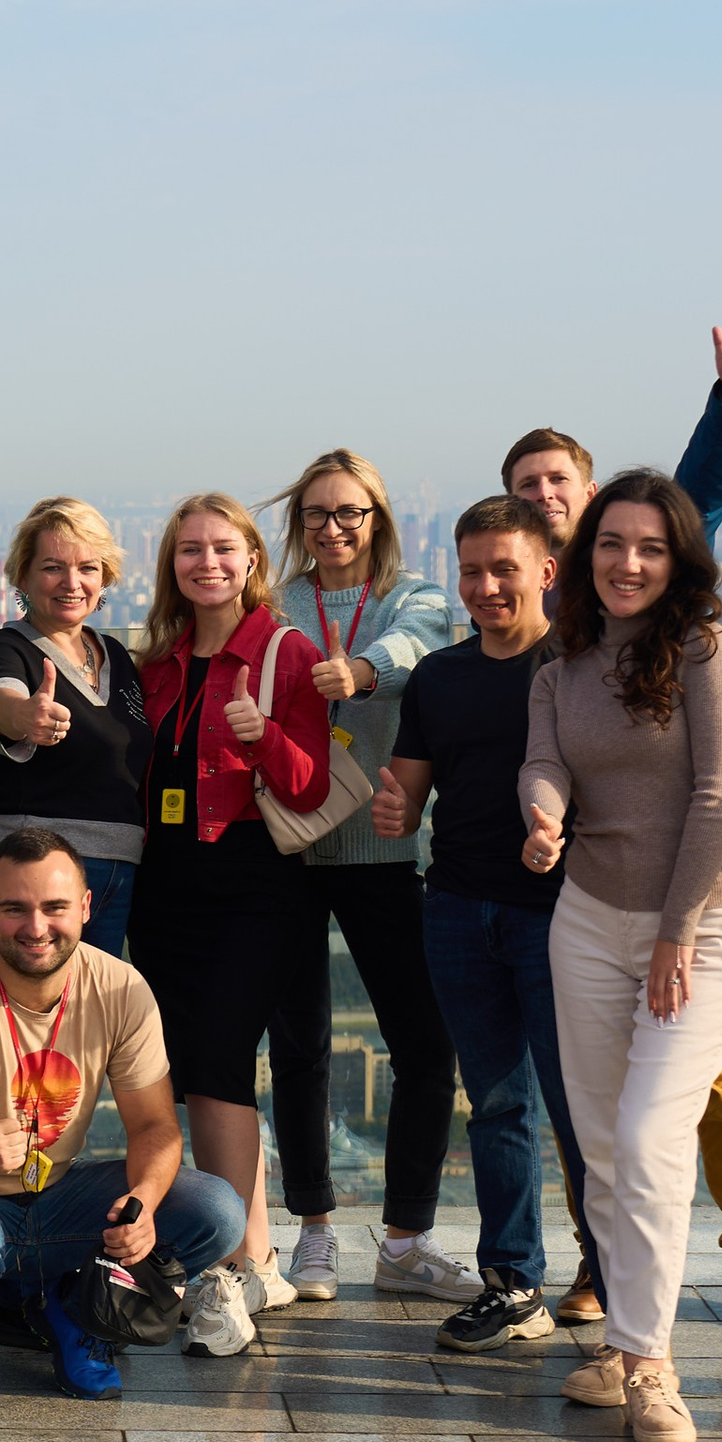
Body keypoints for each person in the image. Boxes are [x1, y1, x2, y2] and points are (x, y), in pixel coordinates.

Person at [502, 324, 722, 1332]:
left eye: (557, 480)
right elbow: (538, 739)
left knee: (692, 1089)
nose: (544, 496)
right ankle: (614, 1275)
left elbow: (696, 495)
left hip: (698, 870)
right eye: (526, 485)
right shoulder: (549, 615)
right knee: (611, 1115)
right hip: (594, 880)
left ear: (585, 491)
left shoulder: (658, 587)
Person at [522, 469, 722, 1442]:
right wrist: (541, 810)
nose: (627, 563)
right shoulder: (560, 662)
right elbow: (545, 757)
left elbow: (716, 798)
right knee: (605, 1151)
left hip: (695, 931)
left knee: (655, 1140)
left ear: (677, 559)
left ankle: (652, 1368)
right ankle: (624, 1338)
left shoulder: (705, 652)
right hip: (583, 920)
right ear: (586, 555)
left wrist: (671, 933)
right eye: (611, 544)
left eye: (650, 548)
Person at [0, 829, 249, 1412]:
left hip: (52, 1196)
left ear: (87, 907)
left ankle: (77, 1313)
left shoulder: (121, 987)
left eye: (55, 907)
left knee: (216, 1211)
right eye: (15, 908)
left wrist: (141, 1205)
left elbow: (154, 1127)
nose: (36, 927)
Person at [372, 496, 593, 1352]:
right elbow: (409, 793)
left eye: (506, 568)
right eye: (472, 570)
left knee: (580, 1108)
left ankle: (613, 1272)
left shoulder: (583, 664)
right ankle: (514, 1281)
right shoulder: (440, 676)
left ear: (547, 570)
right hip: (459, 908)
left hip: (566, 915)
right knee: (497, 1103)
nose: (488, 586)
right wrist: (394, 808)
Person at [127, 493, 332, 1355]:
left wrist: (258, 739)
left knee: (214, 1065)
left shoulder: (285, 653)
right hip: (168, 884)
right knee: (198, 1072)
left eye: (222, 549)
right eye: (188, 551)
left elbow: (312, 788)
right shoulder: (158, 663)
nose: (205, 564)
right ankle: (258, 1256)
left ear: (252, 559)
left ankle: (225, 1272)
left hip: (256, 882)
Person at [264, 448, 460, 1304]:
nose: (334, 529)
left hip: (384, 848)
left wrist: (361, 671)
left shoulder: (413, 594)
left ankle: (405, 1235)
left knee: (424, 1043)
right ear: (297, 524)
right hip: (292, 847)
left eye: (351, 513)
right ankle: (311, 1229)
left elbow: (416, 647)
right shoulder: (275, 604)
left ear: (380, 518)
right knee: (298, 1045)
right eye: (317, 515)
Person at [0, 498, 150, 956]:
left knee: (90, 1019)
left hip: (117, 875)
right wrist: (25, 717)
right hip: (37, 877)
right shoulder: (4, 648)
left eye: (88, 567)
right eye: (52, 568)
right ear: (22, 576)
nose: (72, 583)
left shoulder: (118, 656)